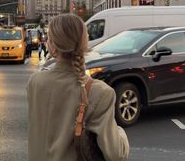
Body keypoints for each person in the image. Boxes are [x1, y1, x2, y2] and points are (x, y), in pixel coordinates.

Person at [27, 13, 129, 161]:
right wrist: (120, 133)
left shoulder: (34, 82)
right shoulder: (101, 92)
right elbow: (116, 154)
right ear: (85, 43)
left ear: (51, 45)